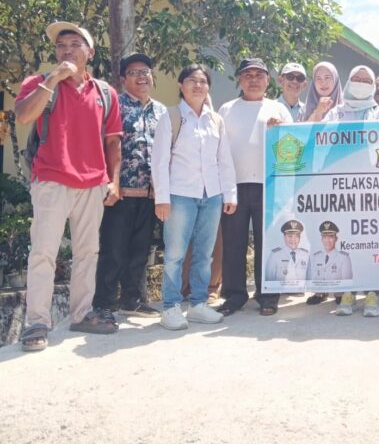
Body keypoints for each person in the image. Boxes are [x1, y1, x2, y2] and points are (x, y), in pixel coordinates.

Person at [15, 22, 122, 351]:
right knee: (43, 254)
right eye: (62, 45)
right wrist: (52, 79)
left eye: (75, 44)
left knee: (88, 253)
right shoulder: (38, 82)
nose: (67, 50)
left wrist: (114, 181)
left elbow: (113, 141)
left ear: (90, 52)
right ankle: (37, 322)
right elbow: (23, 116)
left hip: (93, 183)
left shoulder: (105, 93)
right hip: (51, 179)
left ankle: (81, 313)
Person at [151, 64, 237, 330]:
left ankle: (198, 304)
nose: (197, 85)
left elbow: (224, 160)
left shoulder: (215, 120)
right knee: (175, 254)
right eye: (191, 80)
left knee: (204, 253)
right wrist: (162, 198)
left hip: (211, 195)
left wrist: (229, 193)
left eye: (202, 81)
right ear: (181, 85)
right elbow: (159, 161)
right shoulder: (171, 116)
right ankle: (170, 307)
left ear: (208, 87)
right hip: (180, 195)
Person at [217, 58, 293, 317]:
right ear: (239, 80)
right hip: (234, 186)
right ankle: (234, 295)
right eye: (247, 75)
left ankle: (268, 295)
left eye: (259, 75)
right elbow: (220, 150)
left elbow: (292, 147)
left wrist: (280, 131)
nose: (253, 80)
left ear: (268, 80)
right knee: (233, 243)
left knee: (268, 243)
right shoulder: (227, 109)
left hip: (269, 185)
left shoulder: (279, 109)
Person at [93, 53, 166, 320]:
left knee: (140, 251)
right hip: (119, 192)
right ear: (123, 79)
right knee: (113, 250)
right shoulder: (115, 105)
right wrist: (109, 182)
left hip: (150, 194)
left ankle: (132, 300)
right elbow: (105, 144)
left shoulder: (161, 111)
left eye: (145, 71)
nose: (141, 76)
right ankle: (103, 303)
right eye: (134, 72)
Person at [321, 65, 379, 317]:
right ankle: (347, 293)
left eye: (366, 80)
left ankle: (371, 294)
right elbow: (316, 138)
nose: (360, 82)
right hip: (341, 190)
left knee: (370, 241)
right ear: (348, 82)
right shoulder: (335, 113)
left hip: (372, 190)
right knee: (345, 239)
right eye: (356, 78)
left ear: (373, 86)